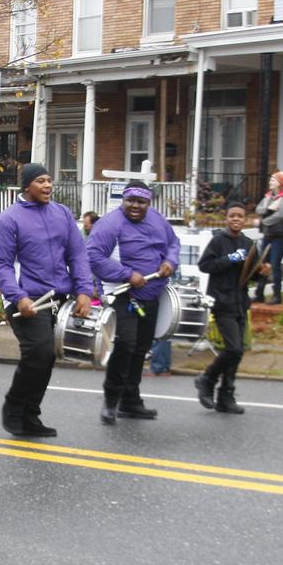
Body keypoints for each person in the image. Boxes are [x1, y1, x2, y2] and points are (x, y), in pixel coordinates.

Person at [0, 163, 94, 437]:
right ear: (26, 186)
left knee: (46, 358)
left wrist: (84, 290)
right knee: (39, 353)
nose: (48, 185)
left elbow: (78, 255)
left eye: (49, 180)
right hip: (28, 300)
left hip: (59, 297)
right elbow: (0, 264)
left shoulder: (61, 214)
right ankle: (13, 407)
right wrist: (18, 296)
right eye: (40, 181)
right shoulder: (8, 219)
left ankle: (30, 415)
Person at [86, 180, 180, 423]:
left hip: (152, 294)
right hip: (122, 294)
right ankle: (111, 400)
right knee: (126, 344)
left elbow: (173, 244)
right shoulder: (110, 224)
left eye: (141, 202)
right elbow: (93, 256)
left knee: (141, 347)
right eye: (131, 201)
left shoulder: (158, 220)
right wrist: (127, 274)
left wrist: (170, 262)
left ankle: (131, 401)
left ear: (149, 202)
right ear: (123, 200)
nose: (135, 206)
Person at [193, 204, 271, 414]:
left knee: (237, 352)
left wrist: (262, 273)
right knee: (234, 348)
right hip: (222, 302)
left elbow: (250, 275)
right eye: (232, 216)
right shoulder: (219, 240)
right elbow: (205, 266)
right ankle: (207, 379)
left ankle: (226, 397)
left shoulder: (248, 243)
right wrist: (230, 258)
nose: (236, 219)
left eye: (240, 216)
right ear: (226, 218)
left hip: (240, 303)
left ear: (245, 220)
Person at [252, 170, 283, 305]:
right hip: (268, 234)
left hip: (281, 236)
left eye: (273, 180)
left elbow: (281, 214)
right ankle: (259, 293)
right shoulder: (269, 196)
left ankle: (277, 295)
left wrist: (263, 222)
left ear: (281, 183)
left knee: (274, 264)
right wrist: (270, 208)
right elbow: (259, 209)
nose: (270, 182)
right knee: (262, 264)